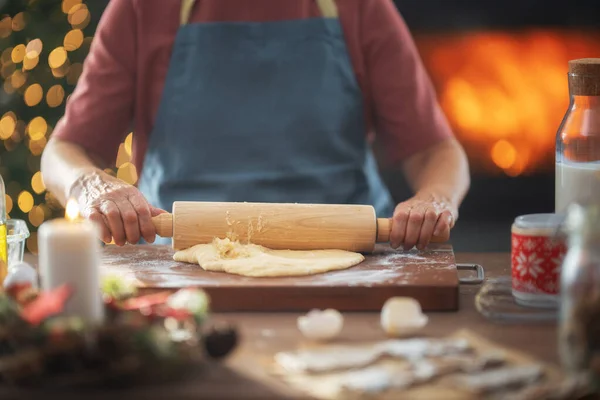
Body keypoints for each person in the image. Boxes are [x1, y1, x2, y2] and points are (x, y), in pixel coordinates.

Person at [41, 0, 470, 251]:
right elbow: (64, 151)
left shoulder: (361, 7)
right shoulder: (143, 8)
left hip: (351, 259)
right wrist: (89, 186)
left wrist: (435, 198)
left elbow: (436, 151)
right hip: (179, 265)